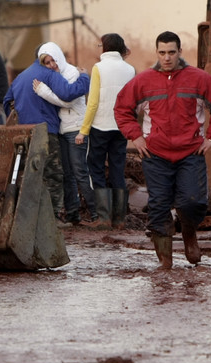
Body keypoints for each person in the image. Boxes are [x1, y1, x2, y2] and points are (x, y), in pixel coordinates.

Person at [114, 31, 211, 269]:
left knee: (192, 202)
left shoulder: (199, 79)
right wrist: (135, 137)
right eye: (162, 52)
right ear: (156, 53)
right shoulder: (143, 81)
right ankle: (165, 264)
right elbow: (122, 108)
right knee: (158, 207)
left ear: (180, 51)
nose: (167, 58)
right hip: (155, 155)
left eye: (171, 52)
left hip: (191, 153)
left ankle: (189, 233)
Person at [3, 48, 90, 227]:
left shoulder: (21, 77)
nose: (52, 64)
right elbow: (68, 93)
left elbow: (7, 101)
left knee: (30, 174)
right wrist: (84, 78)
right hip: (46, 131)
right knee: (53, 174)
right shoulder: (49, 74)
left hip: (23, 132)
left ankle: (28, 218)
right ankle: (54, 218)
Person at [33, 42, 97, 226]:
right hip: (63, 129)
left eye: (53, 59)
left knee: (80, 172)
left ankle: (95, 213)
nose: (52, 64)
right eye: (47, 62)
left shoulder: (72, 73)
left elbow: (68, 101)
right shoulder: (53, 76)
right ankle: (73, 213)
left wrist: (44, 92)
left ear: (59, 57)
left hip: (76, 128)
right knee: (67, 173)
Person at [77, 33, 136, 229]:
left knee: (96, 168)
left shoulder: (98, 68)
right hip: (121, 127)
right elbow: (133, 102)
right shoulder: (130, 70)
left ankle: (103, 218)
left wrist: (83, 131)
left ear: (104, 47)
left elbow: (92, 103)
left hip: (100, 126)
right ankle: (119, 219)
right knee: (118, 169)